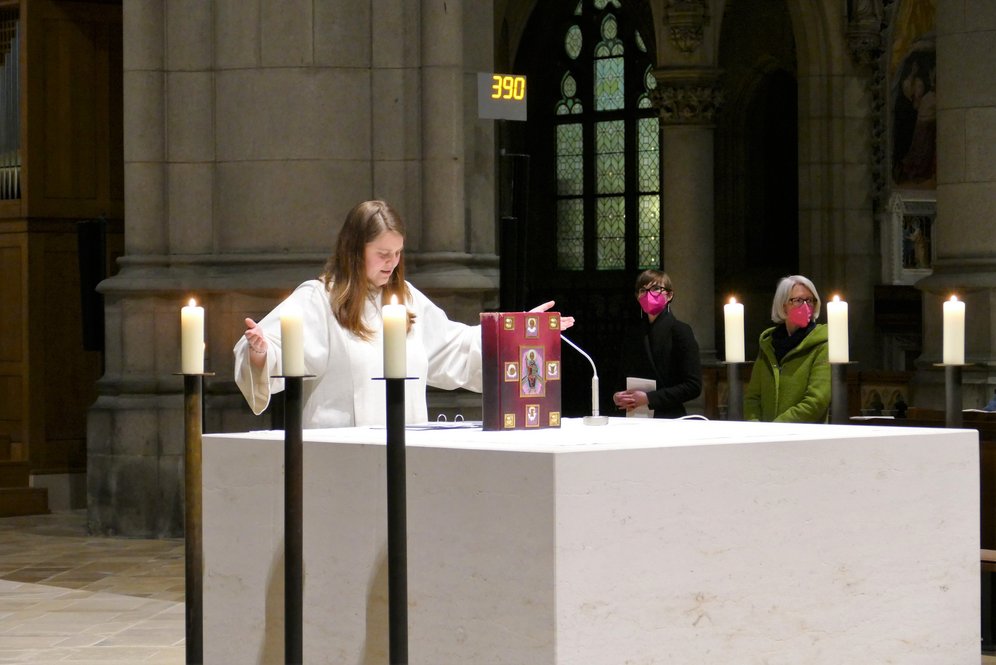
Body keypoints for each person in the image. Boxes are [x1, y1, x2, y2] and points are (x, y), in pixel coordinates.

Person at [234, 200, 573, 428]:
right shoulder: (318, 300)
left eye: (397, 253)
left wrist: (519, 332)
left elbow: (455, 346)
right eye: (382, 253)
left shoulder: (405, 300)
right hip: (341, 457)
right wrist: (261, 355)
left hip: (406, 449)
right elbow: (272, 347)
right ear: (354, 251)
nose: (392, 262)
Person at [612, 270, 702, 418]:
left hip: (669, 417)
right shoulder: (634, 333)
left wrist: (649, 398)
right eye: (643, 290)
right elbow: (622, 377)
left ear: (669, 295)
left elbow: (693, 386)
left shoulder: (680, 331)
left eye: (655, 289)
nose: (648, 294)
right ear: (637, 297)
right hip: (635, 417)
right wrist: (617, 396)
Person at [744, 275, 831, 423]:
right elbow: (753, 397)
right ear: (783, 304)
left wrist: (777, 428)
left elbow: (816, 401)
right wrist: (756, 427)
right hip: (764, 437)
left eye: (809, 300)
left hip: (804, 437)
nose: (805, 306)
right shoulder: (768, 345)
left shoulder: (822, 344)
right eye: (798, 300)